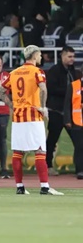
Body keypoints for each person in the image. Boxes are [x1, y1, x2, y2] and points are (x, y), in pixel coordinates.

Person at [0, 45, 64, 195]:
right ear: (34, 56)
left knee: (17, 153)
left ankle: (20, 187)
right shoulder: (37, 72)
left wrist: (12, 105)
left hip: (18, 118)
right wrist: (43, 107)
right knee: (40, 151)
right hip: (33, 116)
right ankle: (45, 186)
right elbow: (44, 89)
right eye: (39, 55)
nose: (40, 58)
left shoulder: (13, 73)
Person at [46, 46, 81, 176]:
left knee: (79, 141)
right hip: (56, 110)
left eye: (73, 56)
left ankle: (80, 168)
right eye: (69, 56)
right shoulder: (54, 71)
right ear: (62, 56)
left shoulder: (75, 72)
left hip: (72, 112)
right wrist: (69, 92)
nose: (72, 59)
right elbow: (52, 88)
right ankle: (48, 165)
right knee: (52, 140)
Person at [63, 69, 83, 179]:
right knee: (79, 147)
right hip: (77, 121)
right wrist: (67, 119)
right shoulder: (74, 85)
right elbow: (67, 104)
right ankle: (80, 170)